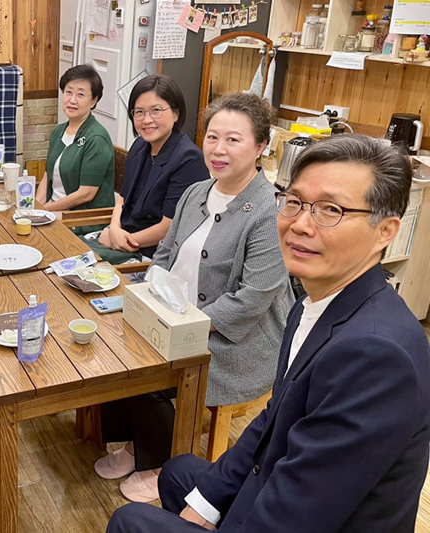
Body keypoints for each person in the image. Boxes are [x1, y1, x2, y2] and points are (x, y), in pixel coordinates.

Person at [107, 134, 430, 532]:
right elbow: (274, 419)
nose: (301, 225)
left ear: (385, 231)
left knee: (129, 521)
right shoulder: (311, 304)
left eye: (331, 209)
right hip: (283, 480)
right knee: (178, 473)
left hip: (307, 518)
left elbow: (301, 512)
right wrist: (205, 504)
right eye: (294, 202)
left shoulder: (377, 355)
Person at [95, 93, 293, 502]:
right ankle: (136, 443)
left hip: (236, 340)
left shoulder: (269, 213)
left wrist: (181, 326)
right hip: (176, 313)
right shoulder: (197, 191)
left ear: (260, 146)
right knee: (115, 342)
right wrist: (148, 300)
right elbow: (164, 254)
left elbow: (251, 299)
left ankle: (161, 462)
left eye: (233, 140)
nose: (218, 149)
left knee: (153, 364)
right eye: (213, 137)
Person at [86, 75, 210, 264]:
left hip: (154, 255)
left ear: (176, 114)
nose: (146, 120)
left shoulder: (189, 159)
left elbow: (169, 227)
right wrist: (114, 230)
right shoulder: (140, 146)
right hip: (122, 238)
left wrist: (119, 241)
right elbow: (122, 199)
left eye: (156, 111)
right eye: (139, 112)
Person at [35, 64, 115, 226]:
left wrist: (45, 210)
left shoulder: (96, 138)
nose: (72, 100)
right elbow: (46, 176)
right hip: (52, 210)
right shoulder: (58, 132)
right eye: (68, 92)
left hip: (79, 219)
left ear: (94, 100)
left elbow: (86, 194)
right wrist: (36, 207)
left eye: (81, 94)